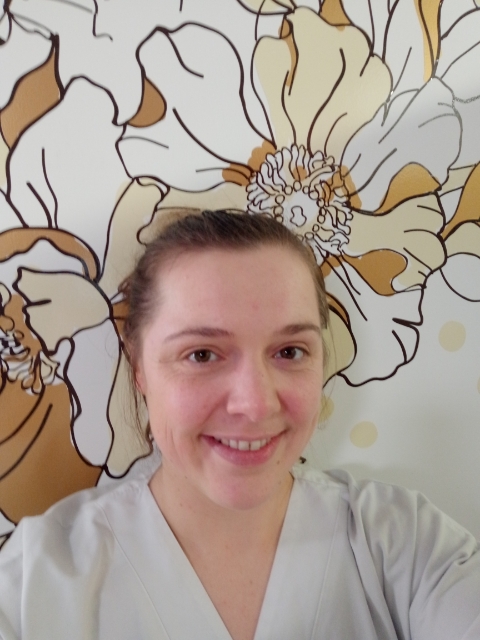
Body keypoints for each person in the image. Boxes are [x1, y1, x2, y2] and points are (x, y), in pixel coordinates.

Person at [0, 209, 479, 640]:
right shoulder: (32, 584)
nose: (255, 405)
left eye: (290, 351)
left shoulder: (408, 544)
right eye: (201, 355)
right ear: (139, 367)